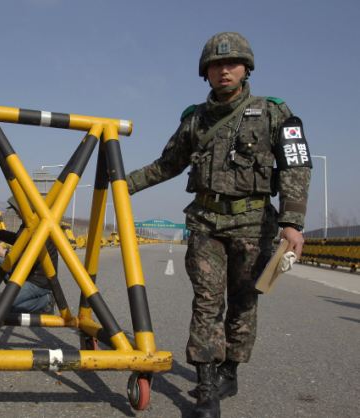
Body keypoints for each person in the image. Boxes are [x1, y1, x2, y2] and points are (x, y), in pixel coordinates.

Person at [125, 32, 311, 418]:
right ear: (205, 73)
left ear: (246, 69)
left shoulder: (275, 112)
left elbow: (296, 165)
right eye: (215, 65)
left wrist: (292, 223)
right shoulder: (194, 119)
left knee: (244, 302)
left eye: (232, 64)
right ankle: (206, 387)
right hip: (206, 222)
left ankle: (230, 370)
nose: (224, 70)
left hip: (254, 224)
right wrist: (122, 184)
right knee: (207, 303)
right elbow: (168, 164)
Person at [0, 197, 55, 314]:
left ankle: (46, 302)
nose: (15, 213)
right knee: (1, 262)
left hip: (39, 281)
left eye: (16, 209)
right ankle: (16, 292)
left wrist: (5, 253)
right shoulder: (28, 224)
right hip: (29, 274)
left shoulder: (41, 228)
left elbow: (33, 260)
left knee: (5, 306)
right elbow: (18, 240)